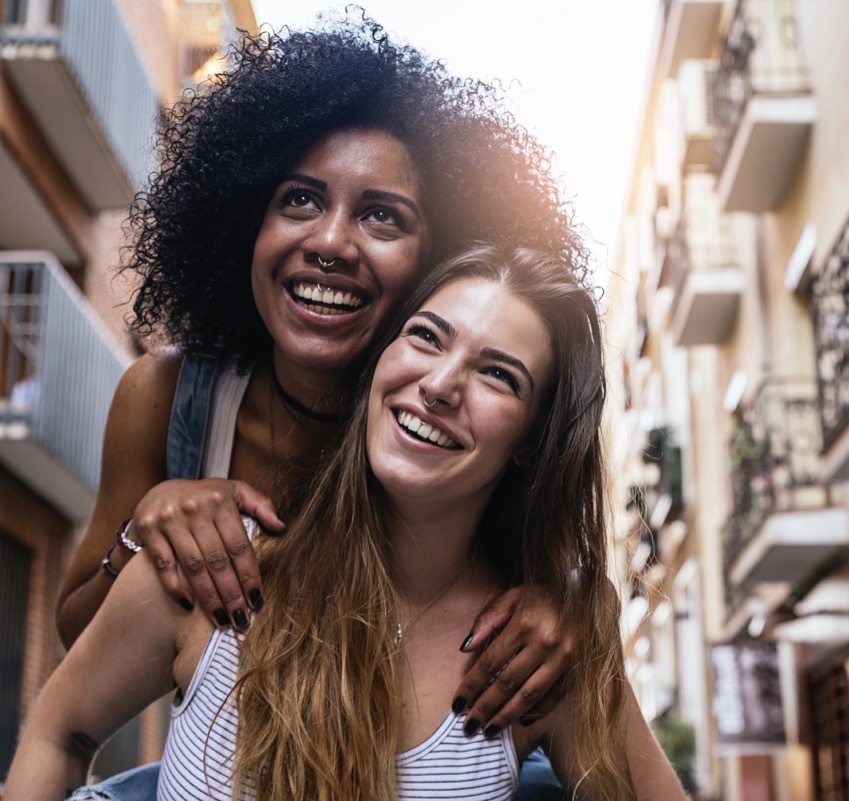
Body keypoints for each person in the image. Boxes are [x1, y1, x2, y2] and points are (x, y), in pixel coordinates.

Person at [50, 13, 577, 795]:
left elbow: (549, 556)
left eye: (381, 214)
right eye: (299, 199)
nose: (332, 241)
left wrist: (561, 605)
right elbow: (77, 635)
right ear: (245, 224)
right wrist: (149, 529)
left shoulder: (439, 423)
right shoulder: (166, 397)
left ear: (438, 260)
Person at [5, 243, 688, 801]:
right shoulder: (210, 572)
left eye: (499, 375)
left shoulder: (537, 655)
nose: (442, 383)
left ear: (532, 446)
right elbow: (58, 733)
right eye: (426, 335)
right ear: (379, 363)